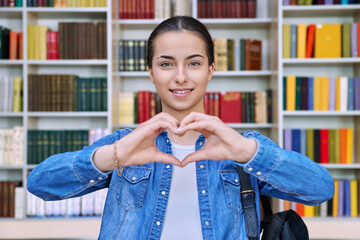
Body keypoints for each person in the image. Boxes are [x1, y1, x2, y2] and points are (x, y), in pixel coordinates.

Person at [27, 16, 334, 240]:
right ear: (150, 72)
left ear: (211, 70)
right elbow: (40, 183)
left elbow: (321, 189)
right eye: (166, 64)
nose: (181, 77)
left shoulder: (241, 147)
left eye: (194, 63)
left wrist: (245, 151)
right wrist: (114, 155)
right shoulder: (124, 145)